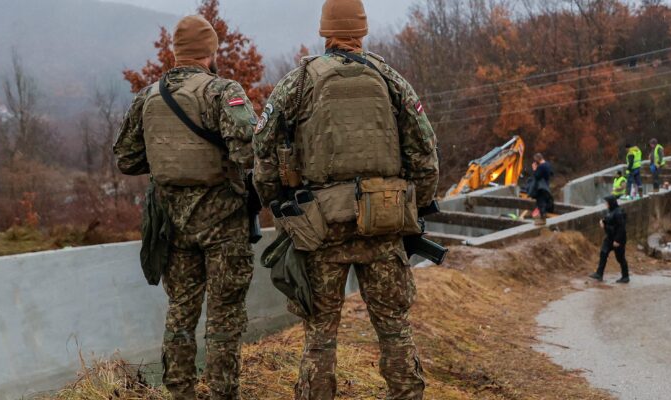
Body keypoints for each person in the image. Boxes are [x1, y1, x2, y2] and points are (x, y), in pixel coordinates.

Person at [252, 0, 439, 398]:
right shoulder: (391, 81)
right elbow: (425, 151)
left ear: (325, 33)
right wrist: (414, 206)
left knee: (320, 337)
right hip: (385, 224)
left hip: (322, 230)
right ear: (363, 31)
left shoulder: (297, 82)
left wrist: (280, 207)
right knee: (394, 330)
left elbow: (263, 150)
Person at [113, 15, 258, 400]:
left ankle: (180, 391)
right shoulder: (223, 92)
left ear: (175, 52)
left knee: (180, 312)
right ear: (210, 52)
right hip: (224, 224)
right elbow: (249, 151)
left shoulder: (148, 96)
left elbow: (126, 159)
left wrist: (167, 164)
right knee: (225, 315)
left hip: (172, 226)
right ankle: (223, 392)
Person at [590, 195, 630, 284]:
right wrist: (603, 222)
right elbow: (609, 220)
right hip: (609, 238)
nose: (605, 204)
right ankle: (599, 274)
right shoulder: (611, 211)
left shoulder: (618, 213)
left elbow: (621, 228)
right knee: (603, 253)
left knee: (620, 258)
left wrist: (617, 240)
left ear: (611, 203)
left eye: (606, 202)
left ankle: (625, 276)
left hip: (618, 240)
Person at [530, 153, 555, 225]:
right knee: (544, 200)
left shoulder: (541, 167)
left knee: (541, 201)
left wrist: (534, 169)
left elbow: (536, 176)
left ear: (537, 159)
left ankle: (542, 218)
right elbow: (551, 173)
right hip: (546, 185)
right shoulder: (547, 164)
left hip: (541, 187)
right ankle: (543, 216)